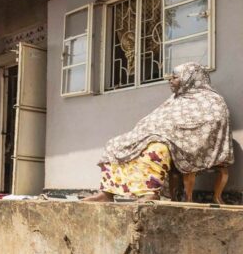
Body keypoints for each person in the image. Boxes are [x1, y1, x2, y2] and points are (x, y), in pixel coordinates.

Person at [84, 62, 234, 203]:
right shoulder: (175, 99)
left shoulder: (212, 100)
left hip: (188, 144)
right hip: (159, 136)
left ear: (190, 79)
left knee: (156, 149)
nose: (170, 80)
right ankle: (107, 193)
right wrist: (150, 129)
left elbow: (213, 123)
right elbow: (154, 118)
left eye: (175, 77)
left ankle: (151, 192)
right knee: (114, 144)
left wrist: (171, 132)